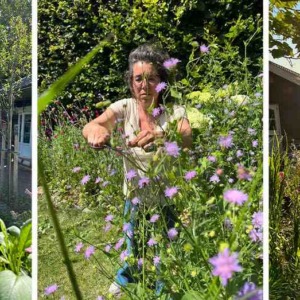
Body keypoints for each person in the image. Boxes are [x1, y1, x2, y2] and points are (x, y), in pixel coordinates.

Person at [82, 43, 192, 296]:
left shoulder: (175, 111)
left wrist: (161, 134)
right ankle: (125, 278)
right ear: (131, 82)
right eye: (138, 79)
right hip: (135, 195)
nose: (144, 85)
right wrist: (96, 131)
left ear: (162, 82)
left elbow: (186, 135)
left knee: (167, 246)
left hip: (167, 197)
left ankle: (163, 287)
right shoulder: (124, 107)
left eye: (151, 78)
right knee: (134, 244)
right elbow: (93, 125)